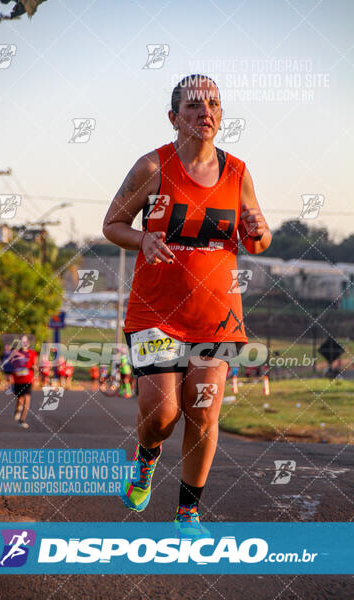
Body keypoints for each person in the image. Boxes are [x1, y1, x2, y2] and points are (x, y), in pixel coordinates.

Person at [103, 74, 272, 537]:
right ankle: (147, 456)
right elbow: (112, 223)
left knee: (204, 409)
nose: (206, 112)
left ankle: (188, 511)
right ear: (174, 117)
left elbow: (258, 239)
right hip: (154, 313)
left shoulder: (237, 171)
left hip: (218, 317)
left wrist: (258, 230)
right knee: (161, 415)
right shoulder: (151, 168)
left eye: (214, 104)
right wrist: (142, 238)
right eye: (195, 105)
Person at [11, 336, 37, 429]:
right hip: (18, 380)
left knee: (27, 398)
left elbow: (34, 365)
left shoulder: (32, 353)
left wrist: (35, 373)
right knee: (20, 399)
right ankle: (17, 410)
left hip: (28, 379)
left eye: (25, 342)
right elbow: (11, 365)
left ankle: (22, 420)